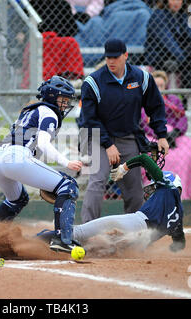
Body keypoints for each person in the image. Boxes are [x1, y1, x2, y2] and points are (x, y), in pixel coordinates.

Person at [0, 75, 84, 252]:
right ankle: (63, 239)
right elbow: (42, 143)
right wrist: (67, 162)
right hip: (15, 157)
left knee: (17, 199)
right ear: (51, 97)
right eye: (63, 99)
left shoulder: (30, 110)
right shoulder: (49, 113)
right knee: (68, 186)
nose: (65, 104)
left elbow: (32, 146)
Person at [79, 38, 169, 224]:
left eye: (116, 57)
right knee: (97, 180)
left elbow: (156, 107)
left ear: (125, 56)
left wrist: (161, 135)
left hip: (128, 137)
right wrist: (108, 144)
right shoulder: (93, 82)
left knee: (134, 188)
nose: (111, 61)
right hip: (97, 137)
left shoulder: (141, 78)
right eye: (108, 57)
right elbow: (89, 119)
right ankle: (86, 230)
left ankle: (134, 231)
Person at [38, 153, 186, 253]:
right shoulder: (179, 214)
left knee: (76, 233)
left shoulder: (168, 187)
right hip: (136, 245)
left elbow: (144, 159)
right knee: (93, 248)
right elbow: (179, 243)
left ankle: (28, 242)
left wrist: (124, 167)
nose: (153, 191)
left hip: (133, 223)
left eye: (155, 187)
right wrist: (174, 248)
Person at [140, 70, 191, 199]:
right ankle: (155, 191)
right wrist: (161, 135)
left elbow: (182, 120)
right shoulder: (145, 101)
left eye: (162, 86)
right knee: (163, 157)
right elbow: (143, 123)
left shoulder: (173, 100)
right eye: (156, 86)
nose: (159, 89)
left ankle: (184, 191)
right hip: (153, 135)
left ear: (166, 86)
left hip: (175, 135)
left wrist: (175, 133)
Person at [144, 0, 191, 88]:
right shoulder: (158, 15)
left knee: (190, 52)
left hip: (177, 55)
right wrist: (182, 58)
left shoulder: (181, 16)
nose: (176, 2)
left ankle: (185, 95)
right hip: (159, 54)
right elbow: (167, 41)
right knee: (187, 60)